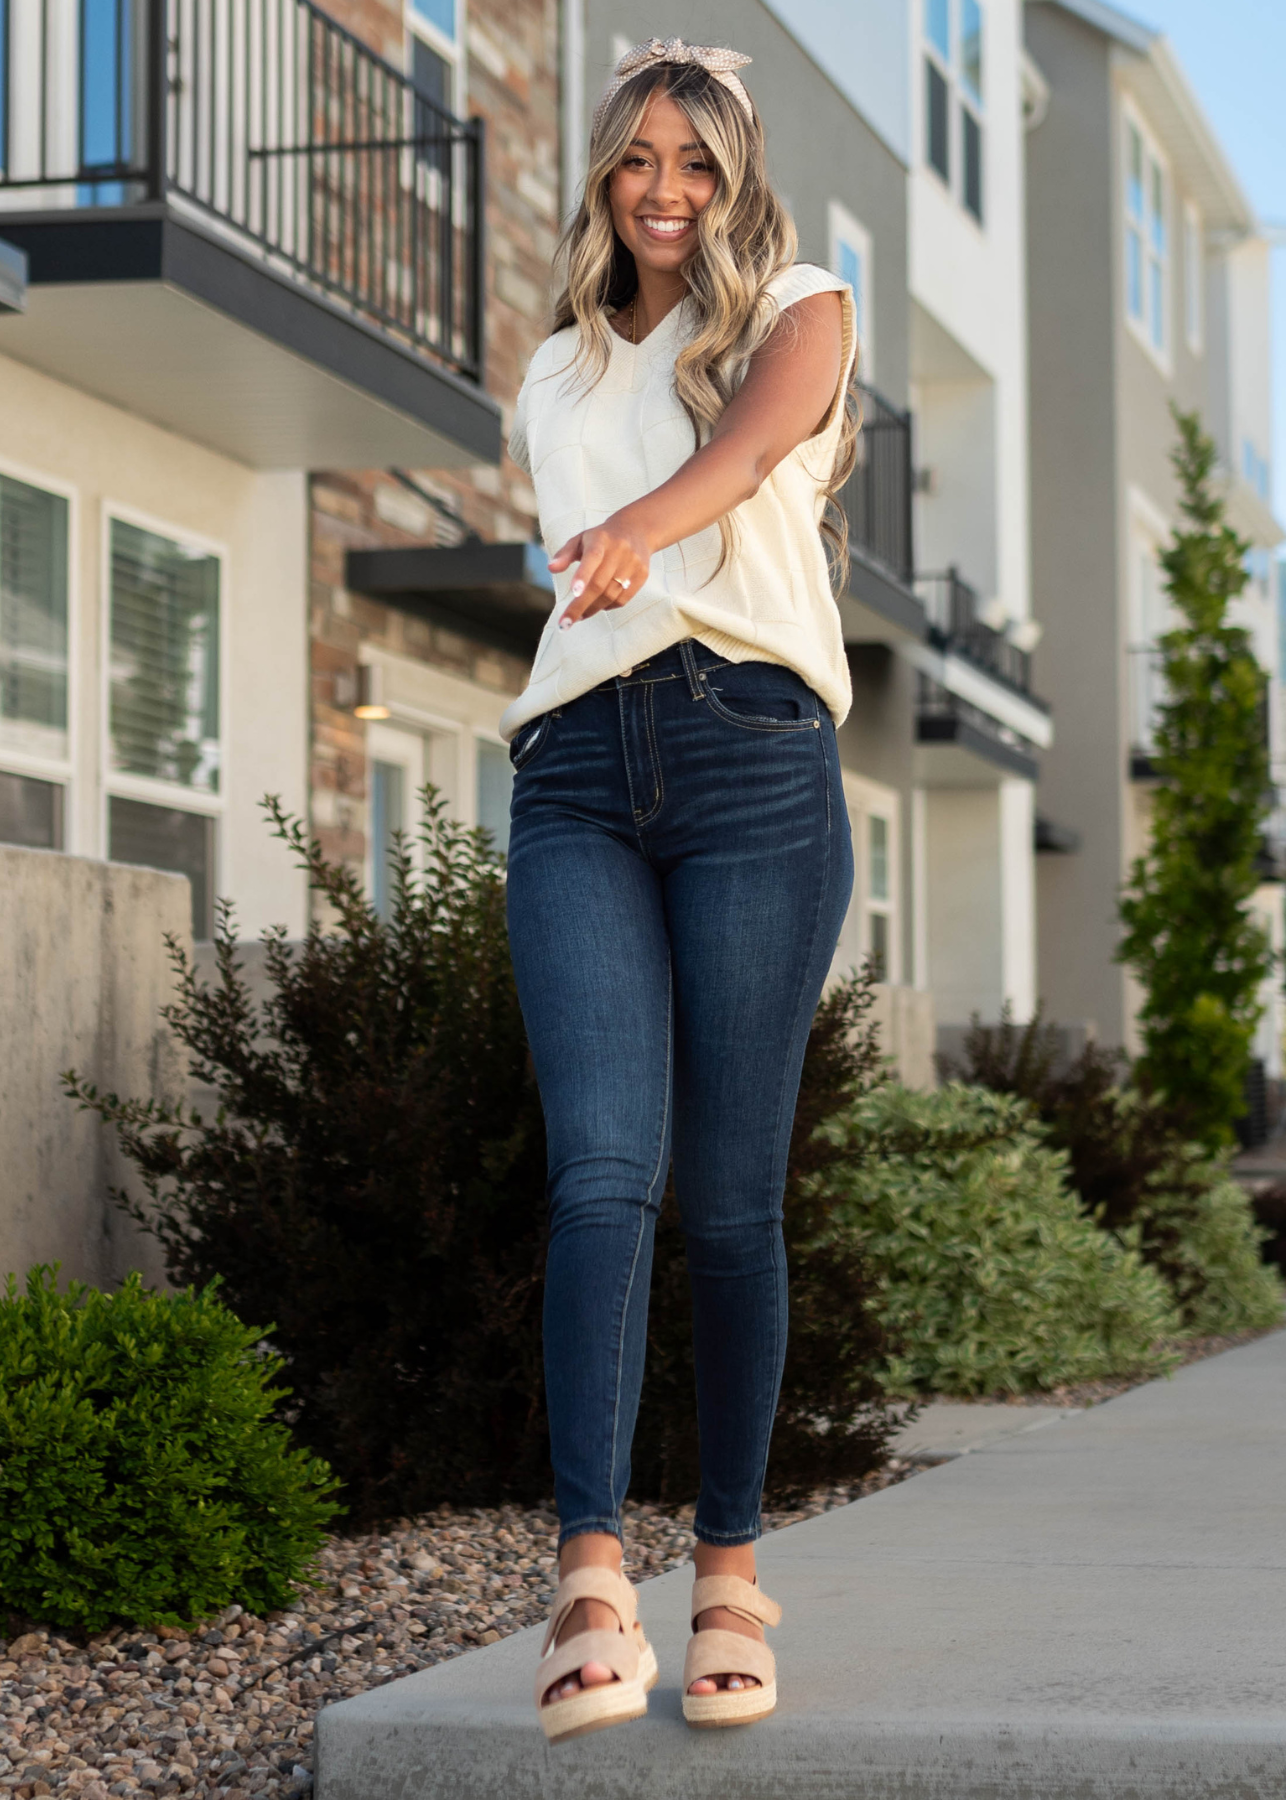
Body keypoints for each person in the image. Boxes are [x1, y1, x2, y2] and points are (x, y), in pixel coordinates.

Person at [501, 36, 858, 1742]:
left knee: (725, 1203)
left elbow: (758, 441)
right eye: (638, 157)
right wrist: (617, 542)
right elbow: (584, 547)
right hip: (572, 765)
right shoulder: (553, 371)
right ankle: (586, 1578)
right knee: (600, 1177)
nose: (663, 191)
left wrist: (649, 526)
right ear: (603, 171)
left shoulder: (801, 301)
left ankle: (726, 1572)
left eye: (695, 163)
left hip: (749, 750)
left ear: (734, 176)